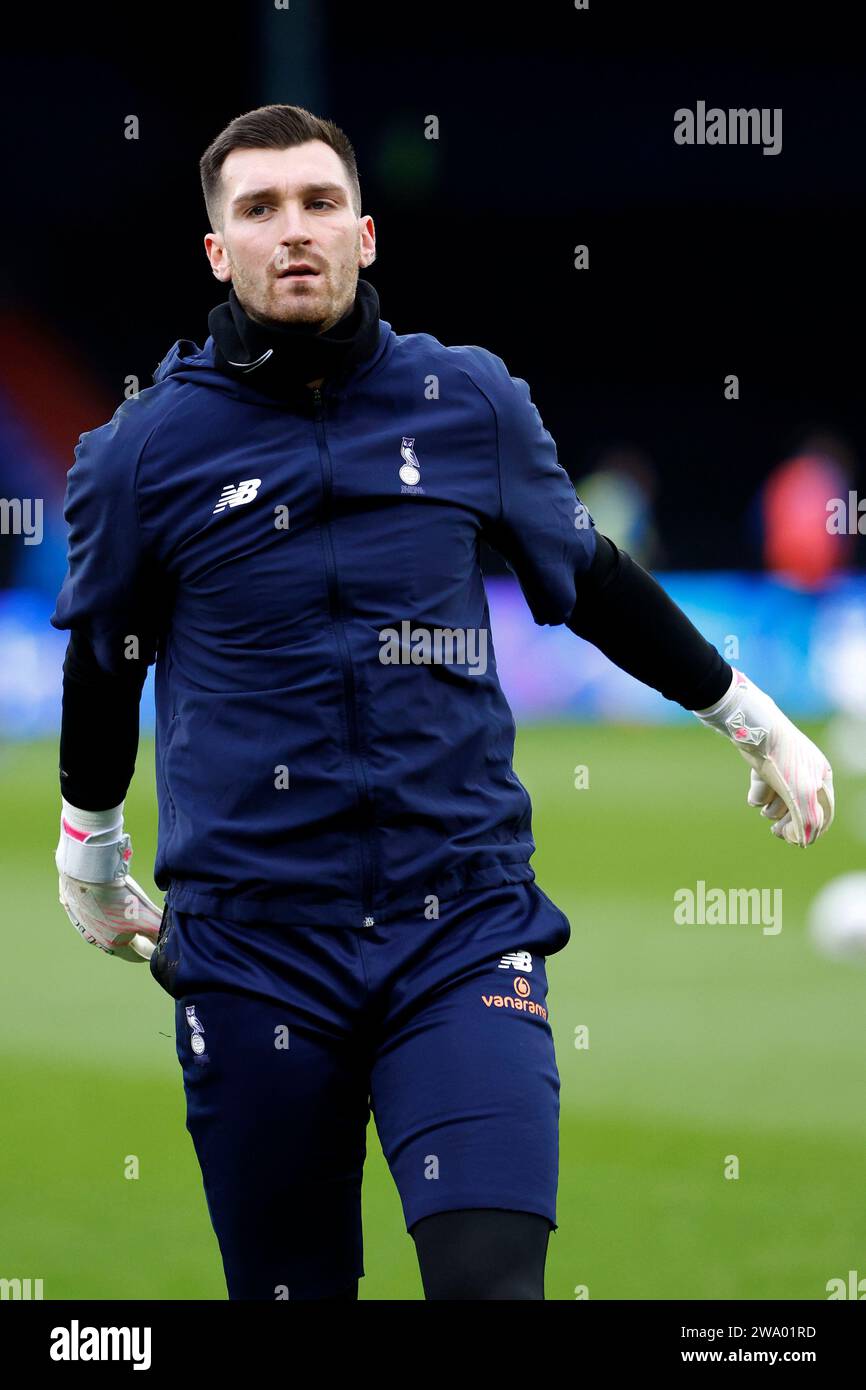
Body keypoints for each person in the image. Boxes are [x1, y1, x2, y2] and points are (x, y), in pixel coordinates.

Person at [50, 104, 835, 1301]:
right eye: (257, 209)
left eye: (318, 204)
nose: (292, 230)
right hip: (254, 949)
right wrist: (90, 852)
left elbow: (592, 580)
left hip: (459, 930)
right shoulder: (139, 455)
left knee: (490, 1287)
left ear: (364, 235)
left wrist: (751, 717)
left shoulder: (466, 400)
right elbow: (105, 659)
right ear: (218, 252)